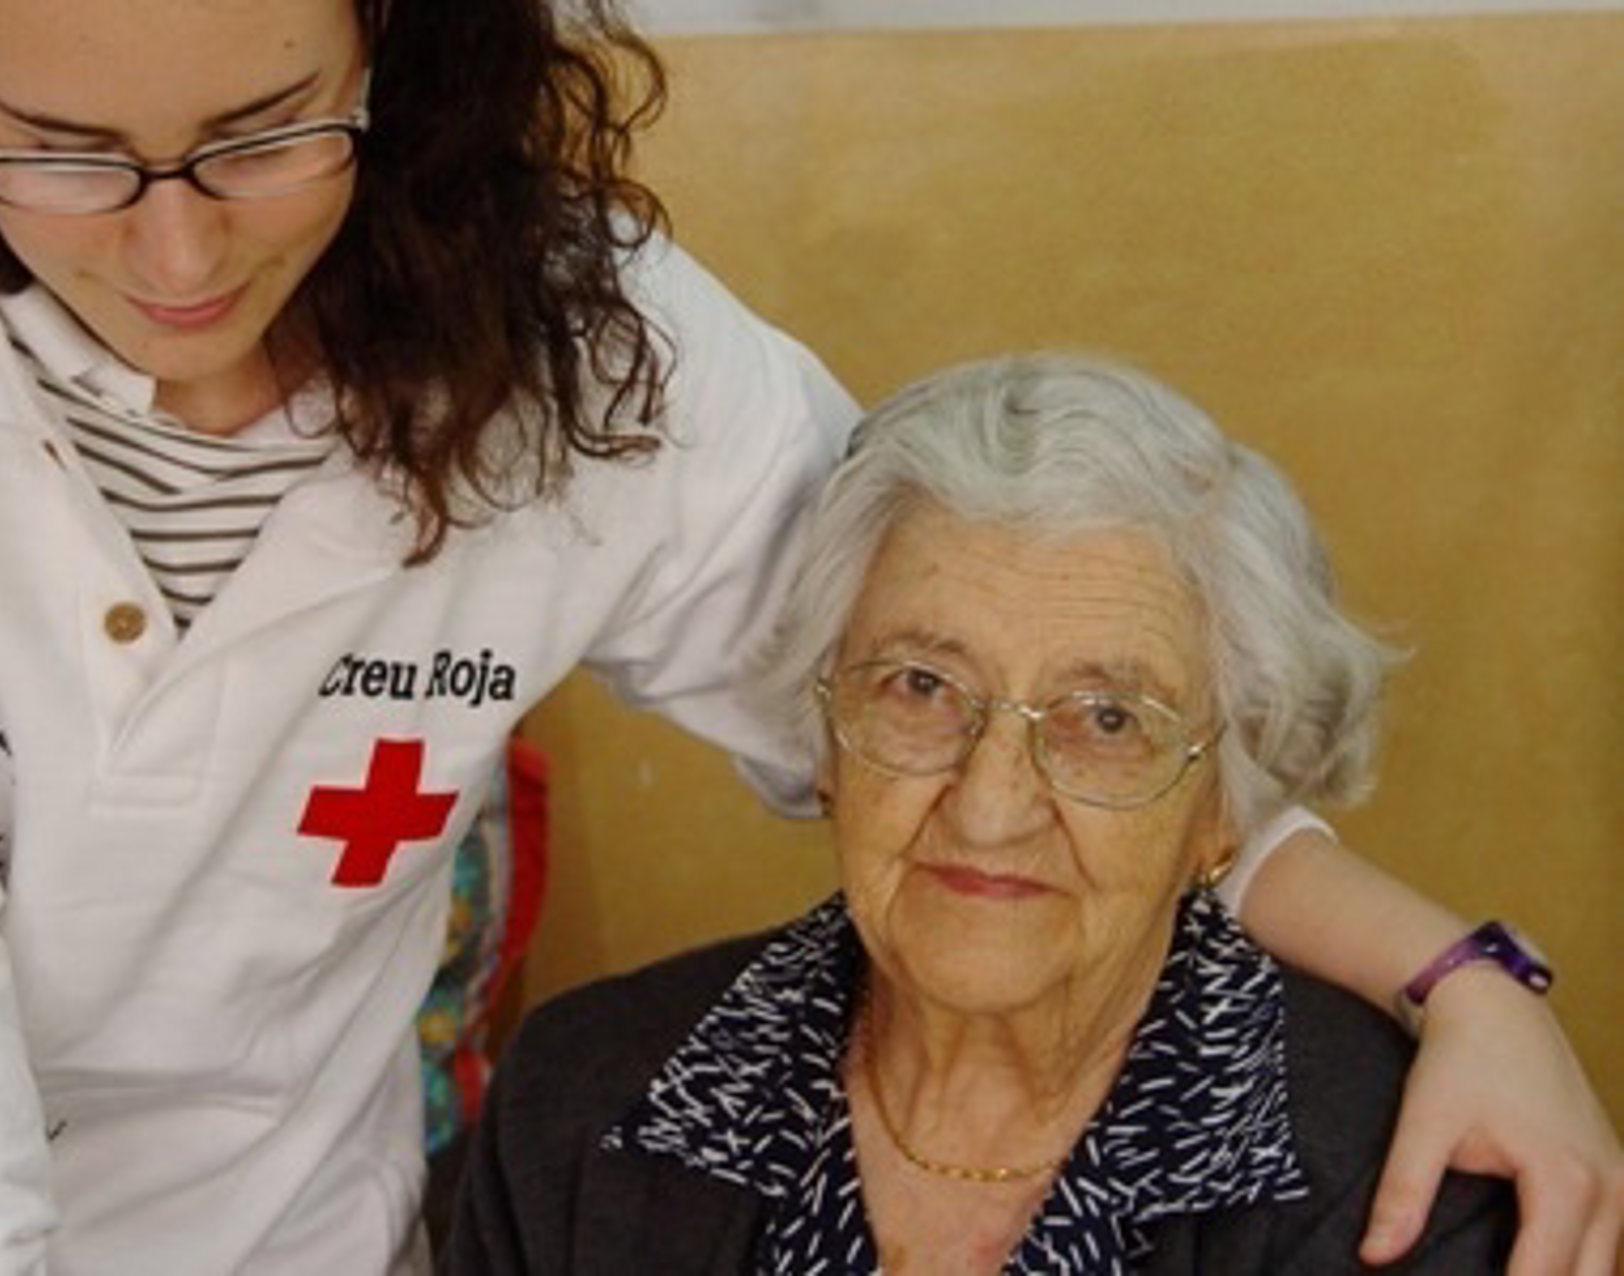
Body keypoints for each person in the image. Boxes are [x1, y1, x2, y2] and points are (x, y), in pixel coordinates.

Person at [0, 0, 1615, 1269]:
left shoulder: (603, 361)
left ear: (398, 51)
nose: (177, 252)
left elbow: (989, 724)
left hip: (268, 1231)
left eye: (266, 134)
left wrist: (1462, 978)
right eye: (58, 149)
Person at [445, 354, 1521, 1273]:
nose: (992, 805)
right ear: (823, 736)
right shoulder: (581, 1104)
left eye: (1108, 718)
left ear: (1223, 810)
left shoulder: (1396, 1189)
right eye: (920, 686)